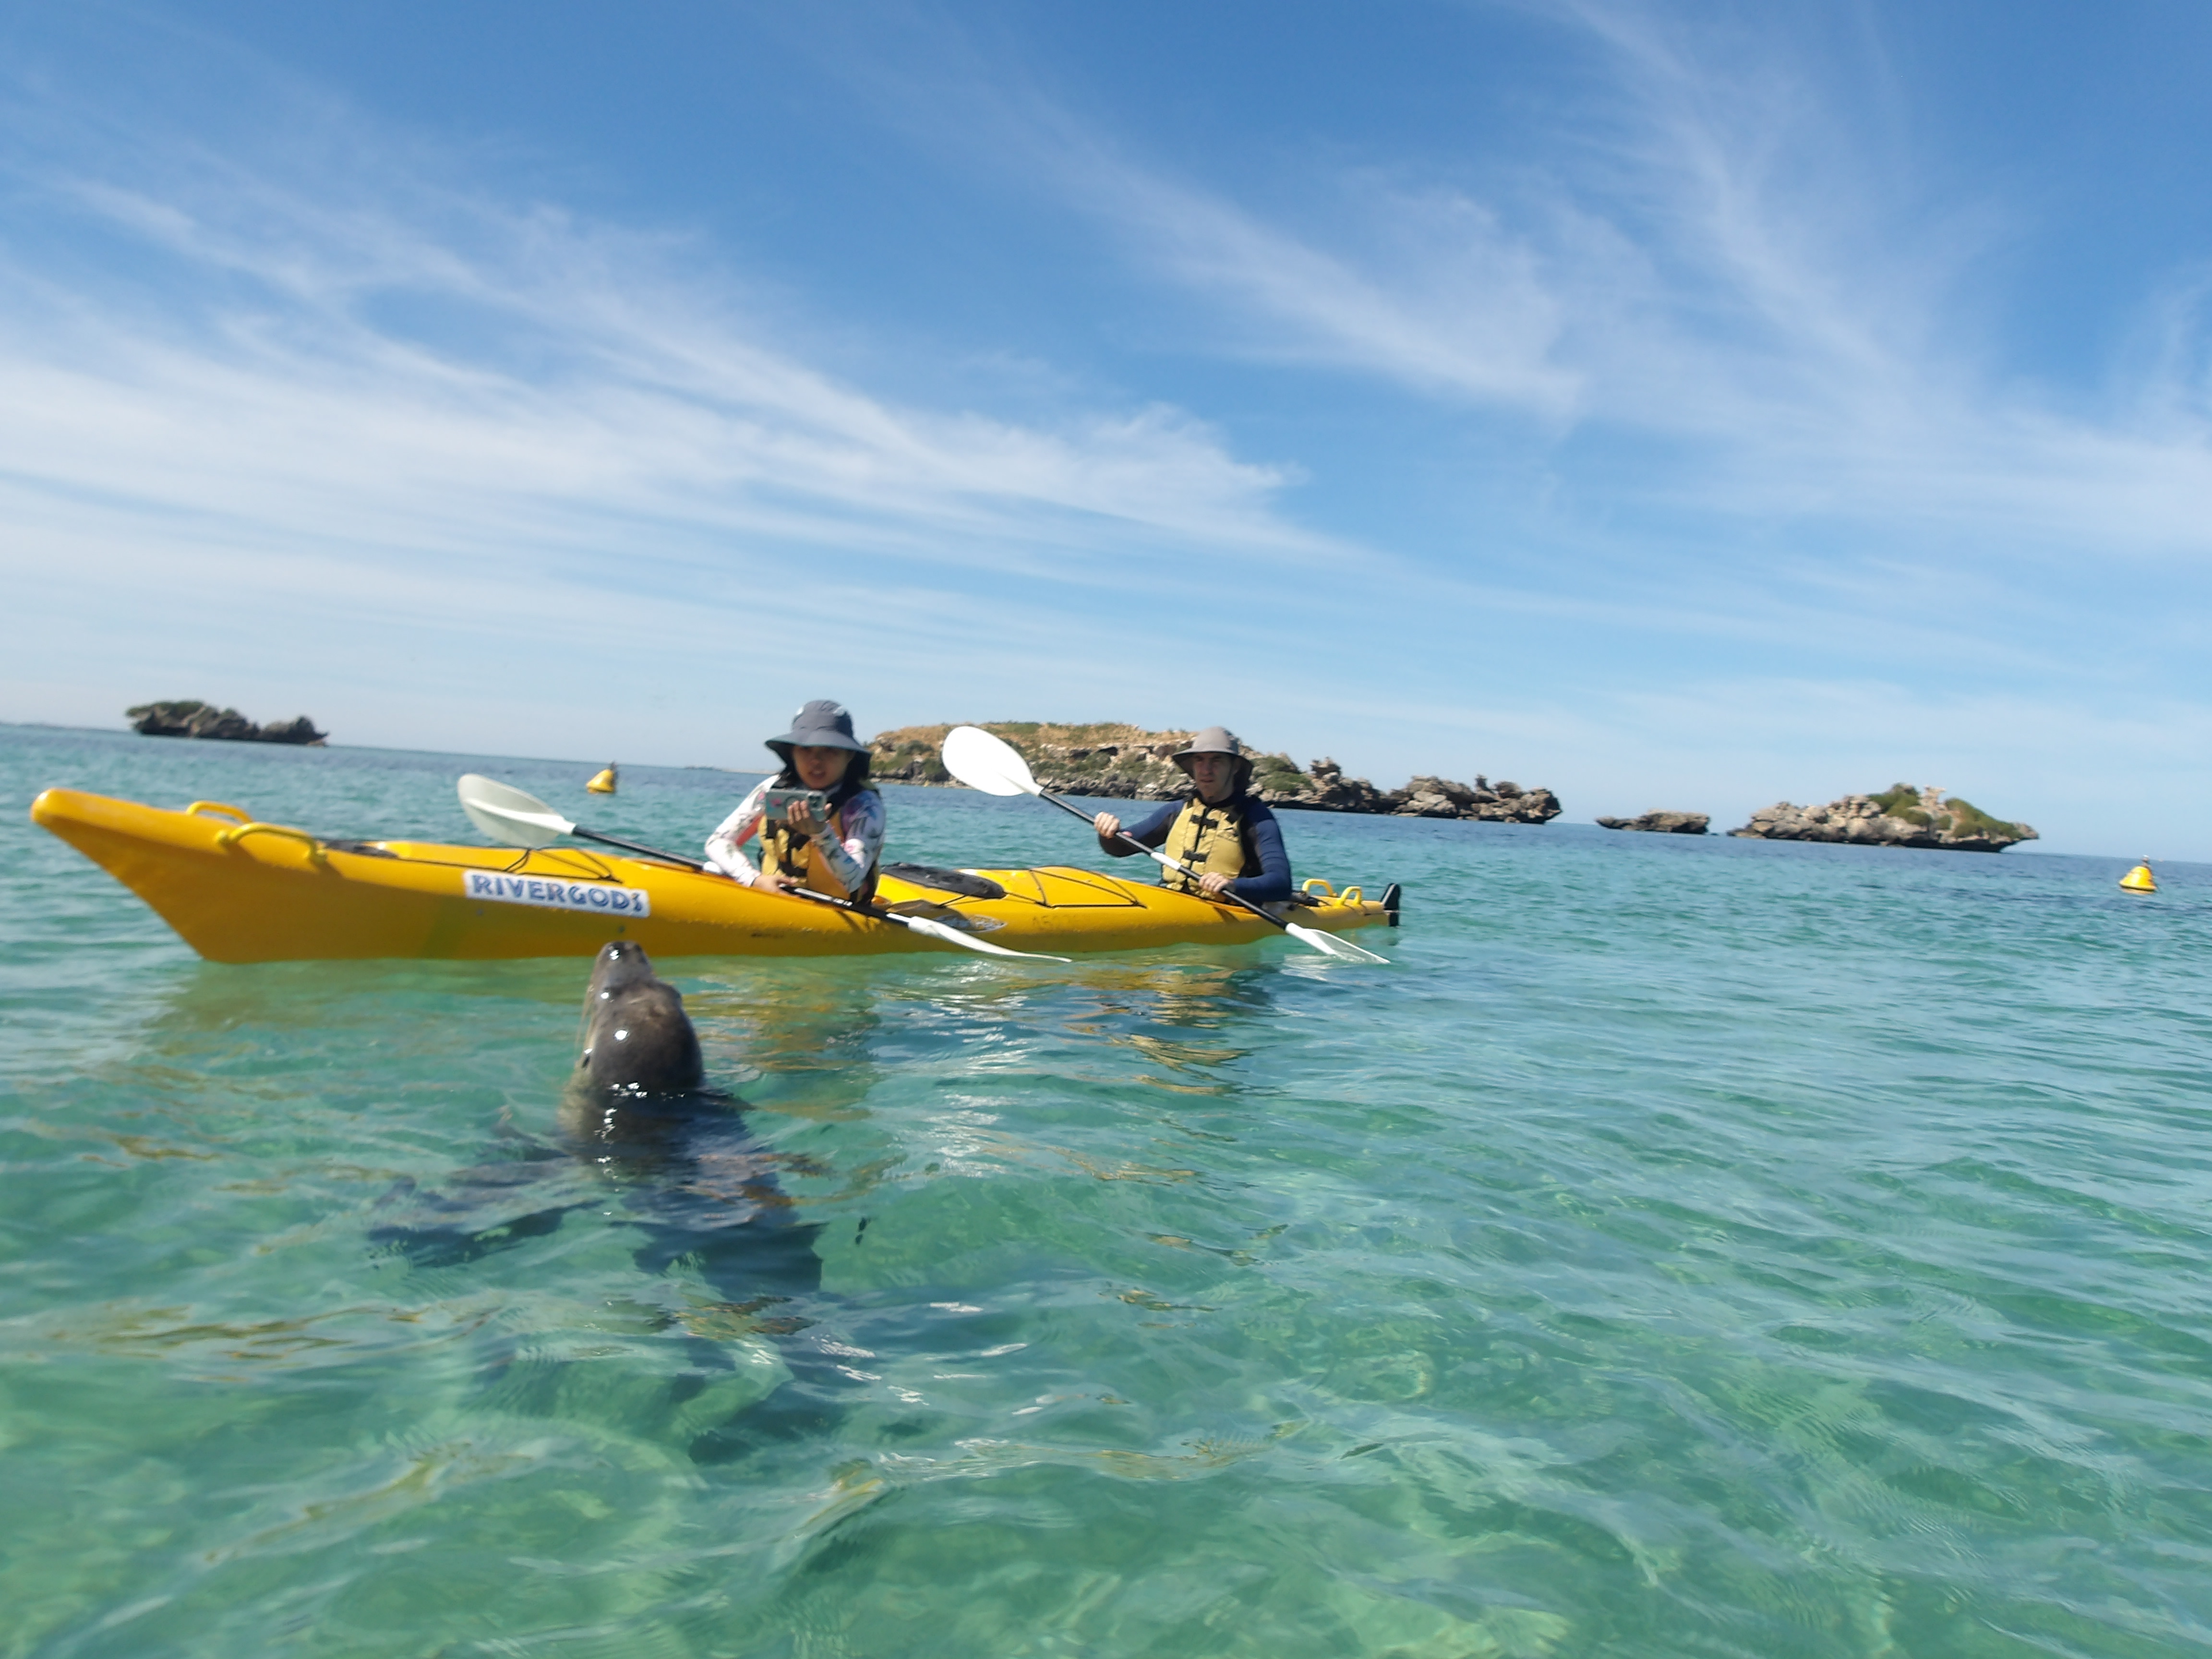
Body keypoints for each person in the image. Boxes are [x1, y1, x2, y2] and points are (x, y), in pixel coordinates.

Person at [705, 700, 885, 902]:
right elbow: (717, 842)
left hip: (836, 909)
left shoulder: (865, 805)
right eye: (805, 750)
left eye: (829, 750)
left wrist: (821, 834)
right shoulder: (772, 789)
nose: (816, 761)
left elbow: (854, 879)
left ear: (849, 755)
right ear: (792, 752)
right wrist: (753, 879)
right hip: (773, 899)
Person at [1092, 727, 1293, 905]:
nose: (1206, 770)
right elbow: (1120, 848)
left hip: (1230, 912)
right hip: (1174, 903)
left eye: (1216, 760)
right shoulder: (1177, 811)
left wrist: (1233, 885)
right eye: (1199, 760)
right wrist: (1108, 833)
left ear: (1235, 767)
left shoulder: (1256, 817)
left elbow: (1281, 883)